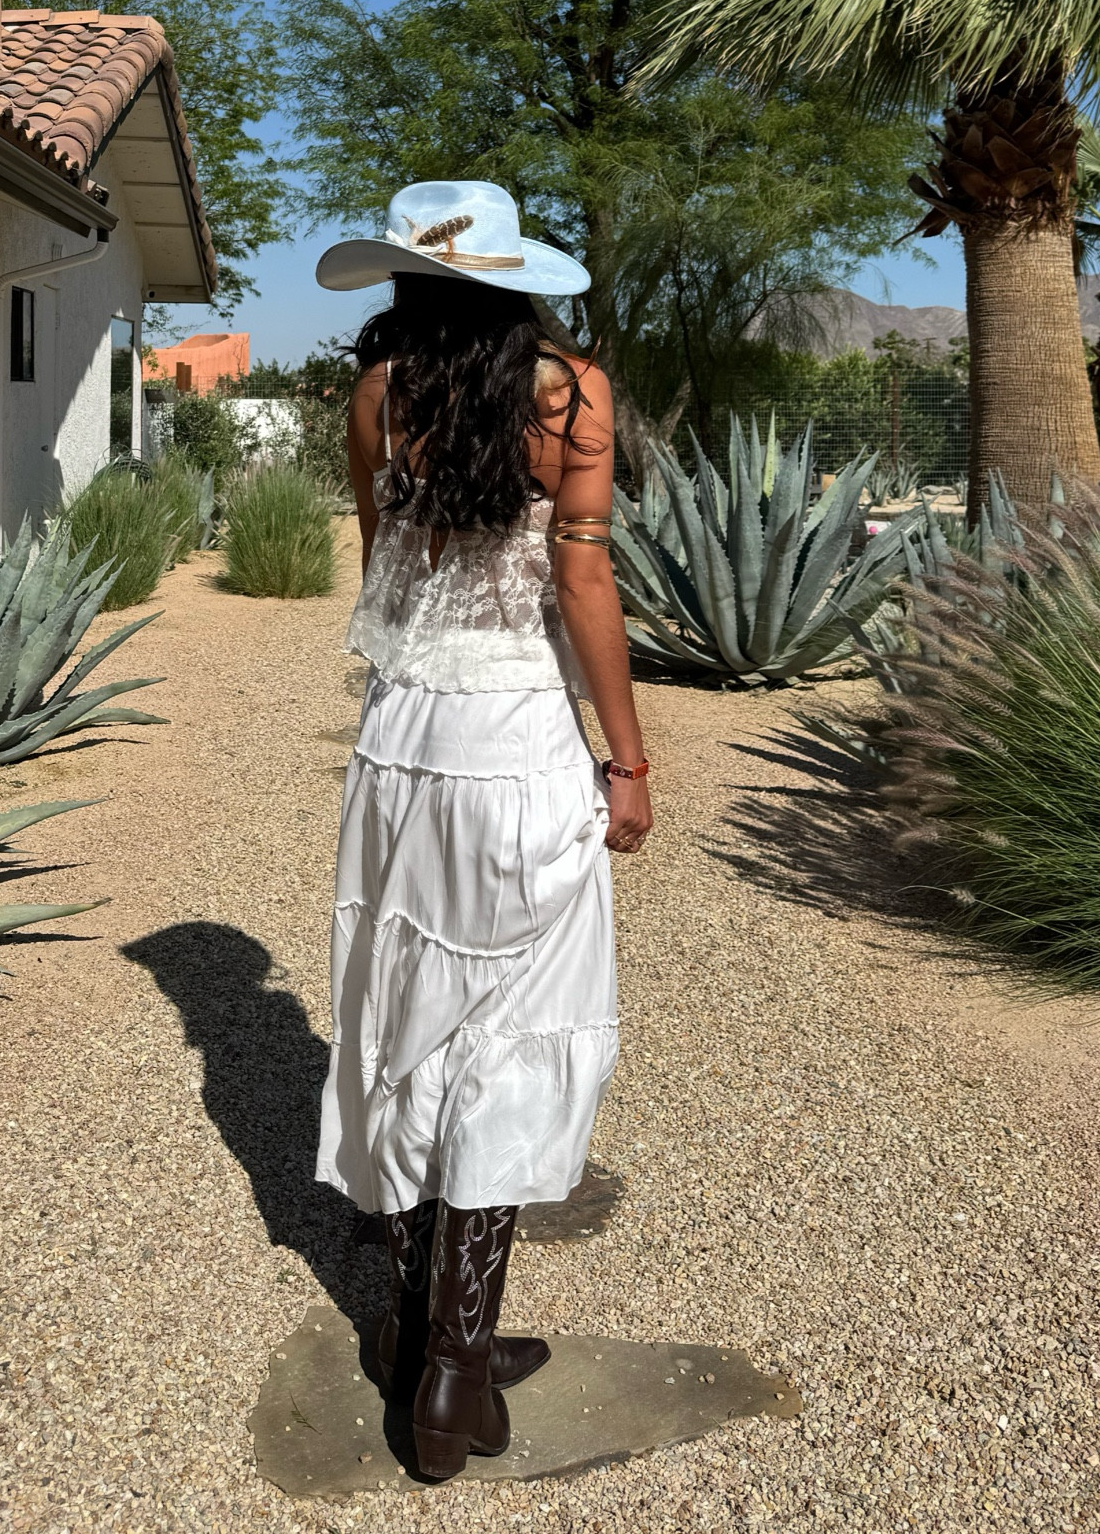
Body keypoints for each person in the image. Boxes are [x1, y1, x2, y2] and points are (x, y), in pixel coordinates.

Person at [313, 179, 652, 1483]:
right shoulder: (572, 395)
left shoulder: (379, 396)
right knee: (509, 1037)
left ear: (406, 278)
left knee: (406, 1024)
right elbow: (582, 577)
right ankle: (456, 1366)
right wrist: (625, 758)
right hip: (520, 747)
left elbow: (378, 572)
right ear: (514, 276)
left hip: (404, 747)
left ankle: (412, 1338)